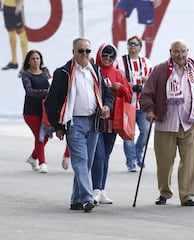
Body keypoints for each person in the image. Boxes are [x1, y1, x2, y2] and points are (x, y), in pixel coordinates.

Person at [45, 37, 114, 212]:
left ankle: (76, 200)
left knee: (86, 163)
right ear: (73, 52)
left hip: (94, 122)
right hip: (74, 122)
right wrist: (58, 126)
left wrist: (107, 106)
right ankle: (87, 197)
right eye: (81, 51)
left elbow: (108, 95)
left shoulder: (96, 70)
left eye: (87, 51)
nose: (85, 54)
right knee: (81, 160)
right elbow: (50, 102)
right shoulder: (63, 73)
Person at [139, 39, 194, 206]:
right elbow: (147, 93)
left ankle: (187, 196)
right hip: (166, 123)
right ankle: (164, 192)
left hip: (189, 122)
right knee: (164, 161)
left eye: (183, 51)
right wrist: (149, 110)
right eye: (177, 52)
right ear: (170, 52)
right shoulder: (160, 70)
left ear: (188, 51)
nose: (180, 55)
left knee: (189, 161)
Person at [91, 43, 132, 204]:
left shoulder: (118, 73)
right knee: (99, 155)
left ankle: (101, 190)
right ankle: (95, 189)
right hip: (96, 120)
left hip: (113, 121)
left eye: (111, 56)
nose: (107, 58)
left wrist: (120, 87)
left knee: (105, 157)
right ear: (99, 55)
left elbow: (129, 96)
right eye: (105, 55)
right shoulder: (92, 70)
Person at [116, 36, 152, 172]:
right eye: (130, 44)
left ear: (140, 47)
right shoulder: (120, 62)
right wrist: (128, 85)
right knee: (128, 134)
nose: (132, 46)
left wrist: (146, 80)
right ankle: (130, 161)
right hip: (127, 104)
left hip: (142, 104)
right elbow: (116, 78)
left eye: (135, 44)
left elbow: (153, 80)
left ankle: (138, 153)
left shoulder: (146, 62)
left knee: (146, 131)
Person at [21, 50, 51, 173]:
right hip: (31, 112)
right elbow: (30, 91)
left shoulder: (45, 72)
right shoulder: (26, 75)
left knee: (46, 136)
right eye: (33, 59)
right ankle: (42, 162)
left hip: (45, 110)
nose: (36, 61)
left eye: (38, 58)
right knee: (39, 135)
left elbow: (51, 85)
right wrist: (47, 92)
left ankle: (33, 157)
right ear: (28, 61)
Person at [1, 0, 28, 77]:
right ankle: (14, 61)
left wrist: (20, 4)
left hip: (16, 6)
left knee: (20, 31)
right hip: (7, 6)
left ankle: (25, 65)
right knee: (10, 31)